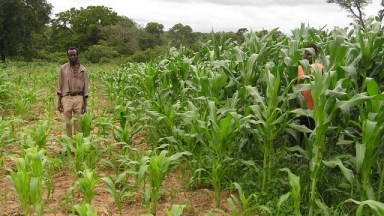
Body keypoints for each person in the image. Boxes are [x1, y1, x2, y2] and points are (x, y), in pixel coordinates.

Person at [57, 46, 88, 137]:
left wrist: (85, 104)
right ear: (67, 56)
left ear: (77, 55)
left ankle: (78, 146)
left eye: (74, 55)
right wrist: (59, 102)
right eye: (70, 55)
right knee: (67, 123)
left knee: (78, 123)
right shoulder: (63, 69)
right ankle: (68, 146)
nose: (72, 57)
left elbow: (85, 87)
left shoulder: (83, 70)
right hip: (66, 98)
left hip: (79, 98)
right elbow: (60, 85)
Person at [297, 44, 323, 146]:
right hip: (303, 105)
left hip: (315, 106)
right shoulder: (300, 67)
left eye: (311, 53)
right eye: (307, 53)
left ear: (316, 54)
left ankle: (312, 151)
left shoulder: (320, 67)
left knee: (313, 130)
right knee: (302, 131)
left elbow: (323, 85)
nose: (308, 56)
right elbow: (296, 85)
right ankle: (300, 153)